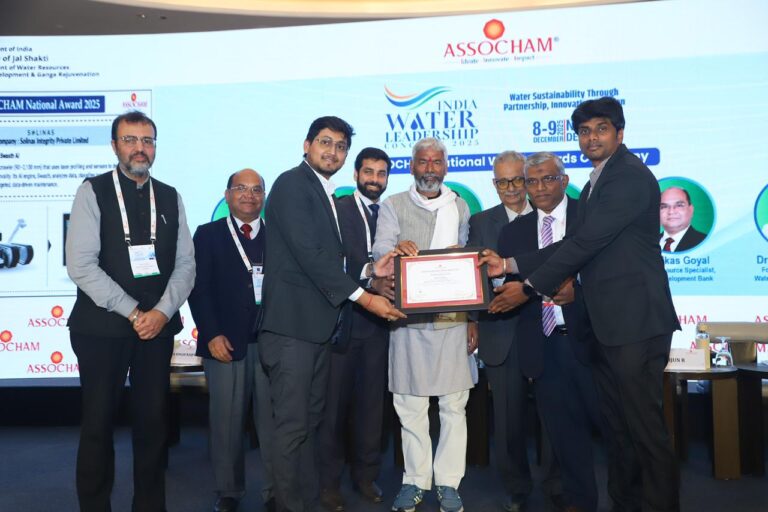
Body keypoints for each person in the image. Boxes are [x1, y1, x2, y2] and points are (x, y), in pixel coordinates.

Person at [480, 97, 680, 512]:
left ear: (619, 133)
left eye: (601, 129)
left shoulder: (627, 177)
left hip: (635, 322)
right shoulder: (595, 183)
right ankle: (627, 504)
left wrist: (528, 287)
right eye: (584, 131)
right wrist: (510, 264)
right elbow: (572, 243)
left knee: (644, 431)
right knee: (620, 429)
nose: (592, 138)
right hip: (611, 326)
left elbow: (585, 243)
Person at [258, 116, 405, 512]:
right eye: (325, 142)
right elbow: (310, 256)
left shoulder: (324, 191)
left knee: (309, 424)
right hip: (292, 330)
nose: (333, 151)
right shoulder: (292, 184)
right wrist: (366, 298)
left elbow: (332, 260)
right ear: (306, 145)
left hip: (318, 330)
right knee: (293, 427)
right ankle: (288, 505)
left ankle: (304, 500)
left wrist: (371, 270)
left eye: (341, 146)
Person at [66, 110, 195, 512]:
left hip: (156, 330)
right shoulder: (93, 191)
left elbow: (186, 265)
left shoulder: (170, 196)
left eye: (147, 140)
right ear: (114, 146)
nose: (140, 148)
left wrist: (161, 312)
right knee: (98, 424)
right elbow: (80, 265)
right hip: (100, 329)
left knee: (153, 426)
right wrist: (135, 313)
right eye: (130, 140)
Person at [373, 137, 474, 512]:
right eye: (423, 162)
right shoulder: (393, 205)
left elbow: (469, 268)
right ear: (412, 166)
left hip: (452, 321)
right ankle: (414, 481)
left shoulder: (459, 206)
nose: (430, 168)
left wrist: (473, 318)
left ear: (445, 167)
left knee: (453, 407)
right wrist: (395, 252)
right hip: (408, 321)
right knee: (409, 405)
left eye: (436, 162)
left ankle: (449, 483)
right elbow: (380, 250)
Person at [496, 152, 602, 512]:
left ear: (565, 181)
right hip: (544, 346)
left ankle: (632, 501)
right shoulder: (512, 232)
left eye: (548, 179)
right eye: (532, 181)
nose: (539, 187)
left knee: (616, 430)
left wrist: (579, 292)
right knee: (564, 433)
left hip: (593, 339)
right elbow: (508, 289)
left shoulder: (589, 216)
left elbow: (610, 274)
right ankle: (579, 502)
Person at [468, 151, 563, 512]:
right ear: (494, 184)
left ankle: (556, 484)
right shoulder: (480, 222)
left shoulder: (550, 216)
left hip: (546, 326)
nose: (510, 188)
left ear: (527, 180)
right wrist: (471, 320)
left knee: (554, 414)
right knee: (508, 420)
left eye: (517, 180)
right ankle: (516, 488)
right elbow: (471, 277)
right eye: (502, 182)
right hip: (500, 329)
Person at [188, 169, 275, 512]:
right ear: (227, 195)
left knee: (273, 424)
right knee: (226, 422)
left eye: (256, 190)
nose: (249, 195)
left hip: (271, 344)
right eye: (241, 188)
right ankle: (228, 491)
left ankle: (275, 492)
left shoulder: (278, 235)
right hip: (225, 343)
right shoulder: (208, 235)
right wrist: (211, 334)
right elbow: (198, 289)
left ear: (264, 197)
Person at [319, 147, 393, 511]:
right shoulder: (338, 209)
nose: (374, 180)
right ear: (356, 174)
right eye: (368, 172)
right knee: (333, 410)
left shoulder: (393, 211)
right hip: (343, 323)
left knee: (371, 408)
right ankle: (329, 483)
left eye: (381, 173)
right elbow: (330, 263)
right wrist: (368, 277)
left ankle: (365, 476)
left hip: (381, 326)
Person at [659, 186, 706, 252]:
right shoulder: (648, 242)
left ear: (691, 210)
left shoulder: (706, 242)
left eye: (679, 205)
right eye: (664, 206)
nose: (671, 212)